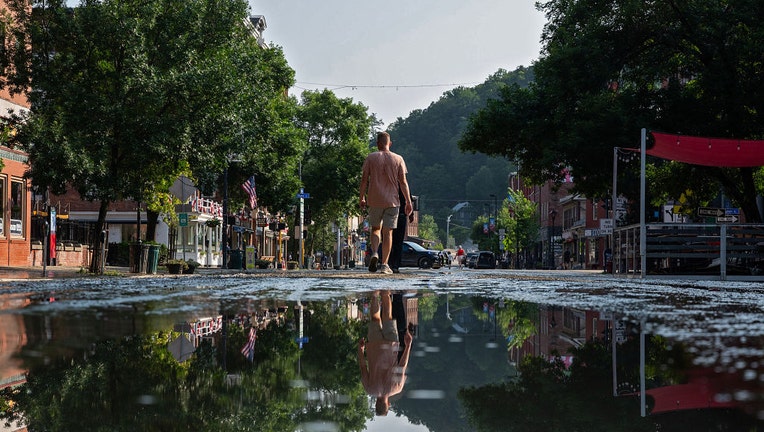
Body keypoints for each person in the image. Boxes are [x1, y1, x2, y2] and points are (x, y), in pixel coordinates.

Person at [359, 131, 413, 275]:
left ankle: (375, 252)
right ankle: (384, 265)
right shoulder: (398, 158)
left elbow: (364, 179)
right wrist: (408, 201)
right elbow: (403, 182)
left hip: (374, 199)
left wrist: (361, 198)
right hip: (392, 201)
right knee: (388, 232)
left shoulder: (371, 158)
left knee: (376, 229)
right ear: (390, 143)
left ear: (377, 144)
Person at [358, 290, 413, 416]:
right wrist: (360, 351)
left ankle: (385, 293)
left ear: (388, 404)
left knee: (387, 317)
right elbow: (362, 367)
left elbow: (402, 365)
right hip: (374, 347)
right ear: (376, 404)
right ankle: (375, 295)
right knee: (375, 319)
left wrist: (408, 346)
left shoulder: (397, 388)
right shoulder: (369, 389)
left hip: (391, 346)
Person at [389, 188, 414, 273]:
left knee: (388, 239)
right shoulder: (404, 186)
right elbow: (409, 200)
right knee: (398, 242)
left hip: (389, 214)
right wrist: (411, 214)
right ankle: (395, 265)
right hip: (401, 215)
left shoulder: (389, 183)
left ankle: (388, 263)